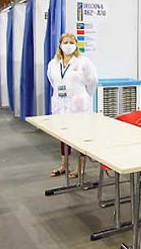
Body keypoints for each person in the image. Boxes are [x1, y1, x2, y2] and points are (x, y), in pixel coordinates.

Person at [47, 33, 98, 179]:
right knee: (63, 135)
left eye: (71, 42)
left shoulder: (83, 62)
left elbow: (92, 81)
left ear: (75, 44)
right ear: (60, 45)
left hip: (78, 105)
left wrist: (83, 96)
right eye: (65, 42)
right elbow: (52, 81)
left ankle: (80, 167)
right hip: (61, 104)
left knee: (80, 135)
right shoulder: (54, 64)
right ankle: (64, 165)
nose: (68, 45)